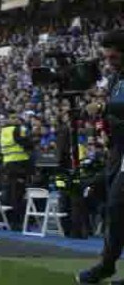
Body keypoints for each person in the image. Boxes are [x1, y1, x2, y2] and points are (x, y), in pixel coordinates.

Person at [78, 30, 124, 284]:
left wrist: (105, 108)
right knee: (111, 205)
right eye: (107, 58)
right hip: (118, 150)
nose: (109, 62)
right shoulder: (117, 77)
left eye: (114, 57)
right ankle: (106, 263)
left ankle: (106, 265)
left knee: (117, 205)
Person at [0, 111, 33, 230]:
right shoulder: (18, 129)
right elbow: (25, 142)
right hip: (19, 165)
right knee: (18, 195)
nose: (16, 120)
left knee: (9, 194)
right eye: (14, 118)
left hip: (8, 165)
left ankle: (8, 221)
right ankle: (17, 223)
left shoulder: (3, 131)